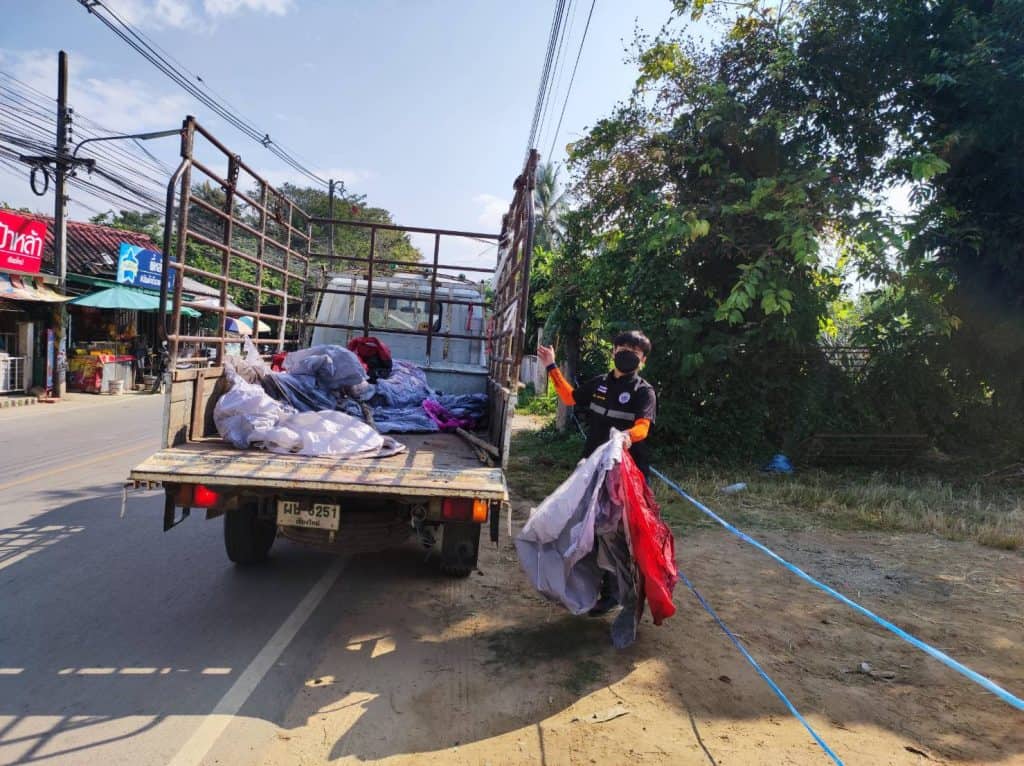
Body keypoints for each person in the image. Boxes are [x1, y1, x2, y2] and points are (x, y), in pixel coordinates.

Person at [536, 329, 656, 480]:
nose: (628, 354)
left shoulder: (643, 391)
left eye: (635, 352)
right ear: (613, 351)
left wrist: (626, 436)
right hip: (592, 462)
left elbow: (643, 428)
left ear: (643, 360)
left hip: (628, 470)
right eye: (624, 349)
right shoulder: (600, 382)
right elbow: (569, 398)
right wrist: (551, 366)